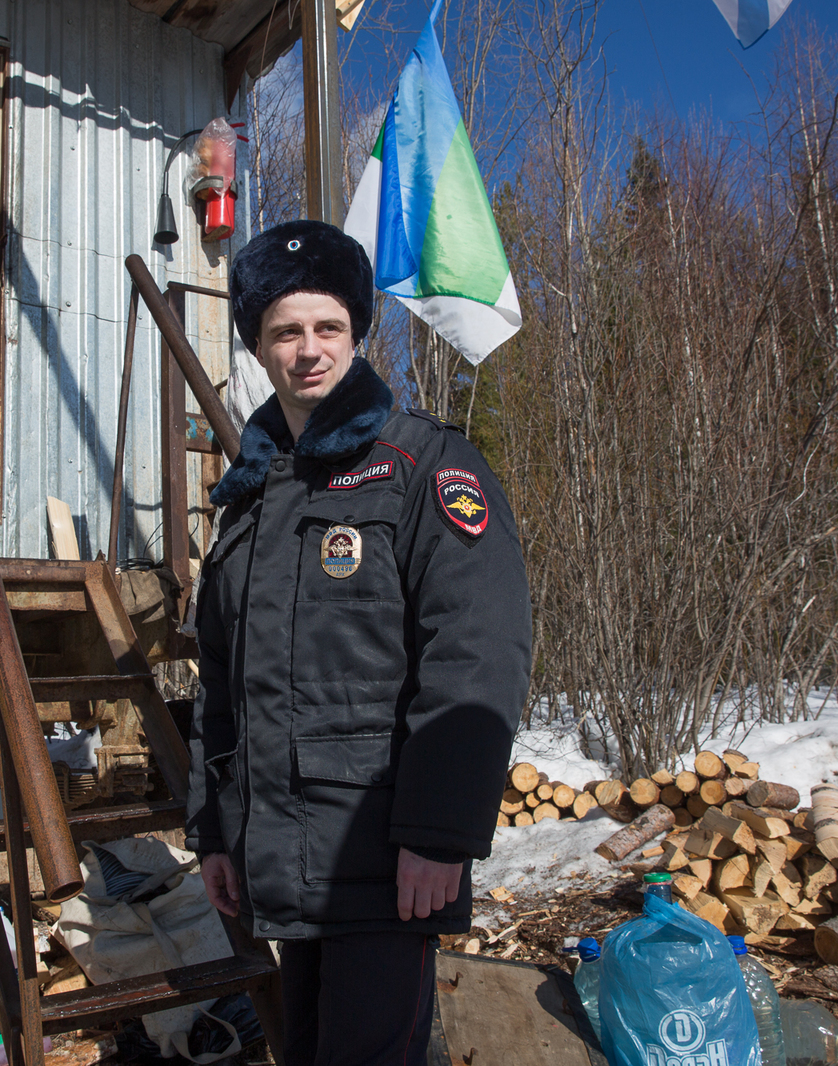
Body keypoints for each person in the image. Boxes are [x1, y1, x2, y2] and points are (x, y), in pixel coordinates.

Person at [186, 219, 532, 1065]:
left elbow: (477, 653)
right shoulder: (251, 502)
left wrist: (440, 833)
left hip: (383, 859)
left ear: (355, 334)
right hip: (281, 855)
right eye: (286, 331)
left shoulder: (423, 466)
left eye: (328, 327)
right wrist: (215, 833)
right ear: (261, 349)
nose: (309, 350)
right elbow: (223, 687)